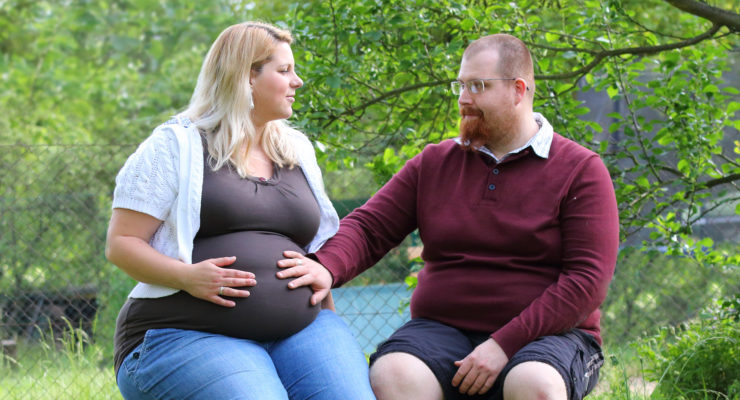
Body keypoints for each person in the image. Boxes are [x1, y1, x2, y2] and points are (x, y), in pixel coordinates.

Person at [277, 33, 619, 400]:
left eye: (477, 86)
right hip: (442, 330)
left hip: (549, 338)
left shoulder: (580, 169)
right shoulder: (435, 163)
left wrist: (503, 344)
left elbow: (586, 282)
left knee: (535, 385)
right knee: (393, 374)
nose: (463, 99)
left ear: (518, 90)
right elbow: (369, 227)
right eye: (460, 85)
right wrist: (326, 266)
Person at [105, 21, 375, 400]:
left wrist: (325, 301)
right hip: (184, 332)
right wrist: (187, 277)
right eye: (285, 71)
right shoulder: (176, 144)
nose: (297, 82)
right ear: (247, 76)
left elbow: (313, 247)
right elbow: (122, 243)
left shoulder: (296, 149)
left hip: (301, 330)